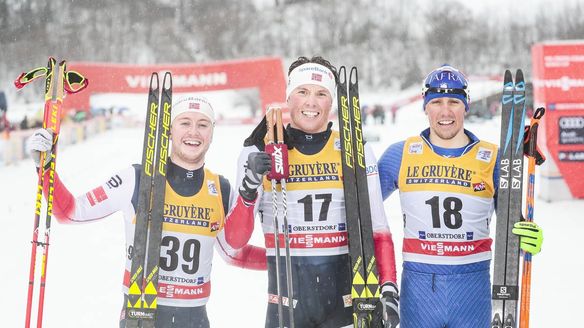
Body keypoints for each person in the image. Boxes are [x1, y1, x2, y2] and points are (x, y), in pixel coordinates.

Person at [27, 96, 267, 328]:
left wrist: (288, 258)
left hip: (194, 317)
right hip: (141, 312)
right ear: (170, 131)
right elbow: (71, 212)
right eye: (185, 123)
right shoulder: (136, 178)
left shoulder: (221, 189)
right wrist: (45, 168)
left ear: (211, 133)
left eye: (202, 125)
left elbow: (234, 252)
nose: (194, 132)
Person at [233, 56, 400, 328]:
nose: (311, 102)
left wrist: (389, 288)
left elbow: (378, 229)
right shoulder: (260, 150)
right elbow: (234, 240)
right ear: (289, 97)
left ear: (331, 102)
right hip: (285, 312)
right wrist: (250, 184)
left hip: (346, 307)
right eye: (302, 92)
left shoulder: (354, 149)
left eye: (321, 93)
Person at [377, 64, 544, 328]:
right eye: (437, 102)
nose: (445, 111)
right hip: (419, 294)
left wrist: (527, 236)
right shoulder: (400, 155)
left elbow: (512, 229)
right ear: (425, 106)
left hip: (472, 291)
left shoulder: (493, 159)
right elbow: (363, 211)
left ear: (465, 105)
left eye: (454, 101)